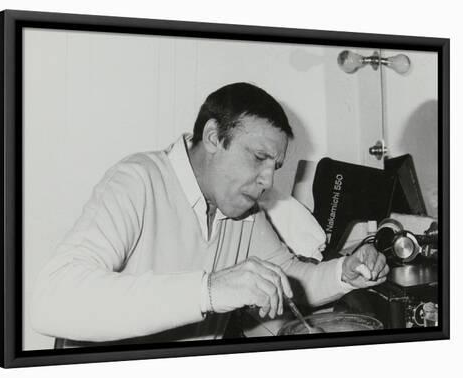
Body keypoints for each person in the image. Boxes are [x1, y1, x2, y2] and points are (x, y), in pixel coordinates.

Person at [30, 82, 389, 344]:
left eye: (275, 166)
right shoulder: (138, 179)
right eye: (259, 157)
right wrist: (210, 289)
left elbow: (289, 278)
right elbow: (51, 301)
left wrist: (346, 272)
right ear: (214, 137)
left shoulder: (243, 208)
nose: (267, 180)